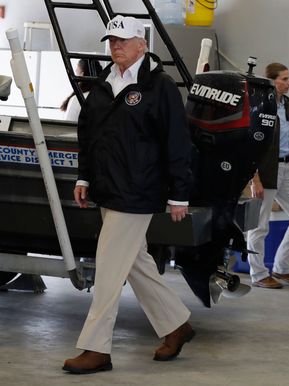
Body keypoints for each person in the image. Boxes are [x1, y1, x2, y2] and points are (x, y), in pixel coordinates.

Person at [63, 15, 194, 374]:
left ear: (142, 44)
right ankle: (176, 324)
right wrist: (84, 177)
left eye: (123, 40)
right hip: (108, 189)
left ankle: (96, 348)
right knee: (136, 263)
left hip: (139, 192)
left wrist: (180, 195)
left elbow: (178, 142)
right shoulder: (104, 85)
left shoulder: (160, 87)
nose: (116, 46)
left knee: (107, 268)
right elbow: (89, 136)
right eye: (112, 41)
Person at [247, 62, 289, 289]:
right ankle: (259, 274)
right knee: (260, 226)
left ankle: (283, 267)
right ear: (272, 81)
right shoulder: (260, 104)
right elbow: (251, 142)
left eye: (288, 78)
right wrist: (254, 178)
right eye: (284, 78)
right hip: (266, 171)